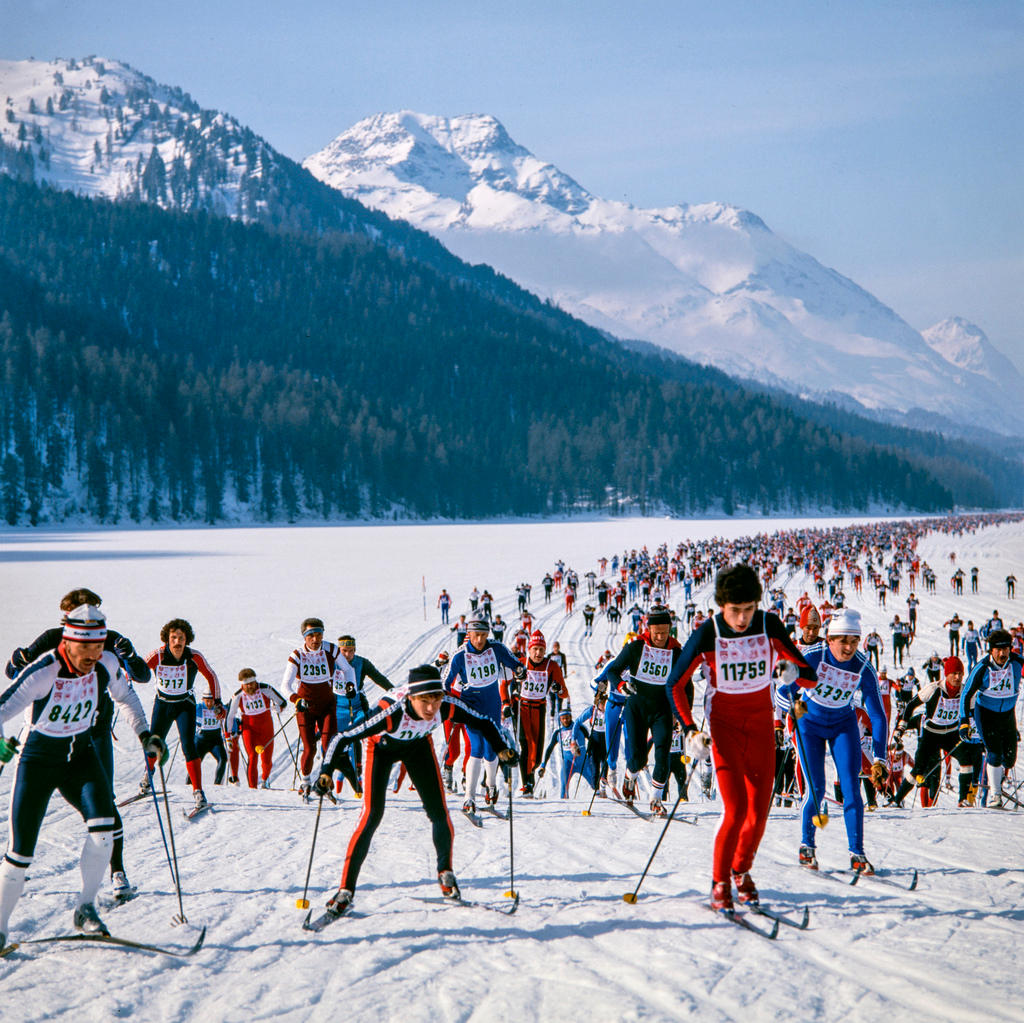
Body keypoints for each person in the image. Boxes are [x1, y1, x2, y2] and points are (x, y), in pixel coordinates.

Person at [0, 606, 162, 947]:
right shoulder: (43, 672)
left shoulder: (105, 664)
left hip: (81, 756)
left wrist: (146, 734)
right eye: (85, 648)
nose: (92, 655)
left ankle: (86, 908)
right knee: (19, 855)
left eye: (98, 646)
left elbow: (128, 697)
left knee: (105, 829)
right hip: (39, 761)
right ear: (68, 642)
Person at [310, 664, 518, 919]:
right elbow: (342, 737)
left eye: (436, 699)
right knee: (371, 816)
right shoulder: (389, 712)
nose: (431, 708)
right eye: (424, 701)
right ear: (411, 697)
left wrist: (500, 749)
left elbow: (484, 721)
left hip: (418, 747)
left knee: (439, 812)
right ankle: (345, 891)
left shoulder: (446, 705)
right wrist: (326, 771)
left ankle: (445, 873)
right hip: (382, 749)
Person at [667, 565, 815, 911]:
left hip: (761, 726)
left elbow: (809, 675)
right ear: (721, 606)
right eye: (735, 610)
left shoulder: (769, 625)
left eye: (749, 608)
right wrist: (689, 729)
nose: (743, 618)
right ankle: (719, 882)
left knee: (759, 812)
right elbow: (674, 683)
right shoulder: (709, 632)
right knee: (735, 810)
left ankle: (741, 870)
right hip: (725, 727)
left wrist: (792, 672)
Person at [777, 608, 888, 875]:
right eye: (843, 641)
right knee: (816, 788)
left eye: (854, 640)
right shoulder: (815, 656)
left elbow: (878, 715)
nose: (848, 647)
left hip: (843, 725)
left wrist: (880, 758)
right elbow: (782, 692)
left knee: (852, 789)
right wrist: (796, 712)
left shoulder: (863, 666)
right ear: (830, 639)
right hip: (809, 725)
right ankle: (807, 845)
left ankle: (857, 853)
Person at [597, 606, 684, 817]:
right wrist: (620, 686)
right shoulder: (636, 647)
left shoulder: (676, 652)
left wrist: (680, 713)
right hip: (636, 708)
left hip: (662, 710)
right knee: (637, 758)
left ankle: (656, 799)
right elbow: (612, 671)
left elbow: (684, 684)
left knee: (663, 751)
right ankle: (630, 774)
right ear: (649, 629)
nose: (661, 637)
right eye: (657, 633)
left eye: (665, 632)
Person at [443, 616, 525, 814]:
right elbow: (444, 682)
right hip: (471, 706)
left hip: (492, 705)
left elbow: (515, 663)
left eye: (483, 635)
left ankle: (491, 786)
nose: (479, 640)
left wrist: (520, 671)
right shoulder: (459, 655)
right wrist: (448, 702)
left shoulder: (496, 648)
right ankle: (469, 798)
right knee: (476, 748)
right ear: (468, 634)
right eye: (475, 635)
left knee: (491, 749)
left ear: (488, 634)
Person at [144, 618, 223, 812]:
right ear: (166, 639)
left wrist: (218, 701)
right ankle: (148, 777)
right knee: (154, 743)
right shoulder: (159, 655)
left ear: (187, 640)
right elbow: (139, 670)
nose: (177, 642)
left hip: (184, 705)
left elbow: (211, 675)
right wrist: (126, 675)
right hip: (162, 705)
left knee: (189, 746)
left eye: (181, 638)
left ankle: (198, 792)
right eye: (173, 638)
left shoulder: (193, 656)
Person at [894, 656, 981, 807]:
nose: (957, 677)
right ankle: (896, 800)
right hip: (931, 733)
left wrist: (977, 732)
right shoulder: (934, 688)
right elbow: (911, 705)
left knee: (966, 761)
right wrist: (901, 727)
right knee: (919, 769)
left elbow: (973, 713)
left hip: (951, 734)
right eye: (954, 673)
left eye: (960, 674)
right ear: (946, 674)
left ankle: (963, 800)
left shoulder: (966, 691)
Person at [959, 630, 1023, 809]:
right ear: (991, 651)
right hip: (986, 714)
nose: (1002, 654)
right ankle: (995, 795)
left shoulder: (1017, 662)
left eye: (1006, 649)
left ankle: (996, 779)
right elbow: (966, 694)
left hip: (1007, 715)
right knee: (994, 752)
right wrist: (964, 722)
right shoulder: (983, 667)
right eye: (998, 650)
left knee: (1009, 759)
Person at [282, 618, 344, 800]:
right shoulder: (297, 655)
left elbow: (347, 669)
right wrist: (296, 699)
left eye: (318, 635)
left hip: (327, 705)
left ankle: (325, 782)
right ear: (304, 637)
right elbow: (285, 685)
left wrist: (350, 687)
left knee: (328, 746)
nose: (315, 639)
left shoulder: (331, 649)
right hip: (306, 707)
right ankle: (306, 781)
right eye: (311, 635)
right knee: (310, 749)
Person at [502, 631, 568, 796]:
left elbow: (564, 693)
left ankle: (530, 776)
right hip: (521, 708)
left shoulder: (551, 666)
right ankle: (527, 786)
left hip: (540, 708)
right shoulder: (520, 663)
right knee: (525, 745)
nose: (538, 653)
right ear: (529, 650)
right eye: (535, 649)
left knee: (537, 755)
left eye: (541, 649)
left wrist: (557, 688)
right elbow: (503, 684)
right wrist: (505, 703)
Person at [334, 635, 394, 792]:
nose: (347, 655)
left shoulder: (362, 663)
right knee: (338, 738)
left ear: (355, 650)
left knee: (359, 733)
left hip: (358, 704)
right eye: (344, 651)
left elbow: (378, 677)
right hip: (338, 705)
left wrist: (394, 692)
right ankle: (341, 770)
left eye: (350, 651)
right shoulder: (332, 663)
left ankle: (358, 772)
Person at [226, 669, 288, 789]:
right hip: (249, 729)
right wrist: (228, 736)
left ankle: (265, 780)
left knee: (267, 760)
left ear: (255, 681)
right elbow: (230, 716)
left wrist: (278, 708)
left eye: (252, 683)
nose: (250, 686)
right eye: (246, 684)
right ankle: (252, 788)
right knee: (252, 756)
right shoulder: (238, 695)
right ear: (242, 684)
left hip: (266, 727)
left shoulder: (265, 689)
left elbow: (282, 702)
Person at [196, 691, 230, 786]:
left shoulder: (220, 708)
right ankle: (189, 785)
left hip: (215, 741)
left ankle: (218, 785)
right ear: (203, 700)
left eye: (211, 701)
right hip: (200, 741)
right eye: (207, 701)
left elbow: (230, 716)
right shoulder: (198, 708)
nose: (209, 704)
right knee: (194, 762)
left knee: (223, 759)